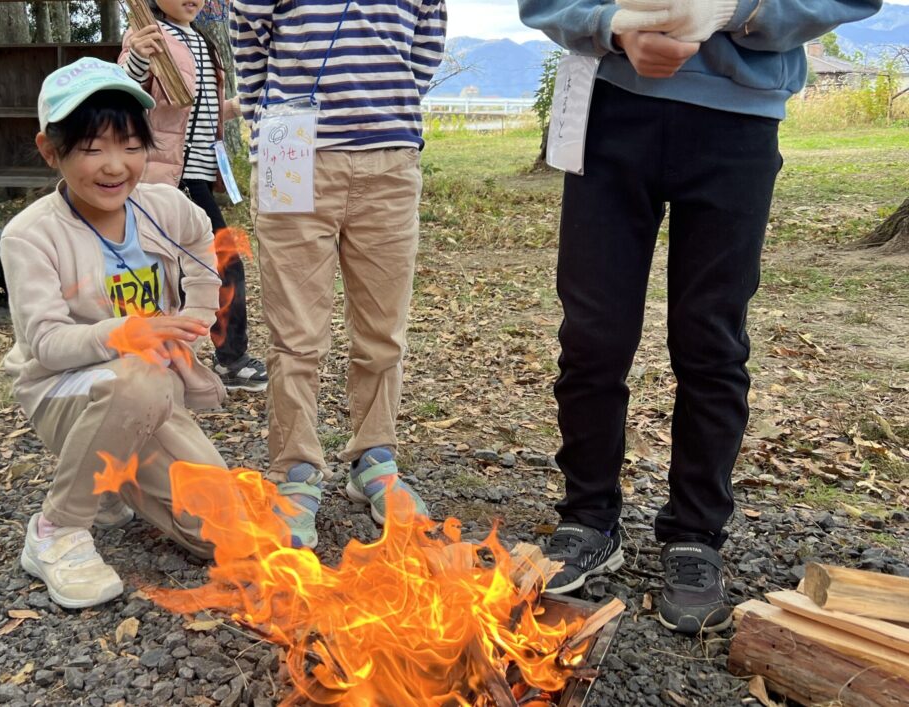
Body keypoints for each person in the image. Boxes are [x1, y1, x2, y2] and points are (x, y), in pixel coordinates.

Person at [517, 0, 881, 634]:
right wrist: (612, 26)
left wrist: (732, 13)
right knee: (592, 336)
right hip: (609, 112)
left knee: (710, 339)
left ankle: (695, 535)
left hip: (736, 124)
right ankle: (587, 517)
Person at [1, 58, 230, 609]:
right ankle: (57, 529)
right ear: (50, 150)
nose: (115, 166)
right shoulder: (30, 236)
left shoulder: (165, 207)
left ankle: (107, 482)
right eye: (91, 148)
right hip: (65, 388)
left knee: (224, 530)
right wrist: (132, 330)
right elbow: (49, 345)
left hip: (146, 391)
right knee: (136, 380)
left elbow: (203, 240)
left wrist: (196, 313)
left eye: (130, 145)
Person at [228, 0, 447, 548]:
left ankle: (374, 455)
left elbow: (423, 53)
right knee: (295, 333)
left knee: (383, 329)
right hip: (289, 151)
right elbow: (249, 50)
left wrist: (376, 112)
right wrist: (270, 128)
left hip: (390, 158)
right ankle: (295, 467)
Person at [121, 0, 268, 392]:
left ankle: (223, 358)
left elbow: (195, 110)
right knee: (187, 266)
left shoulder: (202, 41)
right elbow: (125, 90)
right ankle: (217, 359)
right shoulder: (147, 34)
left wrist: (235, 107)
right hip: (163, 176)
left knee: (214, 262)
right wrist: (137, 54)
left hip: (199, 177)